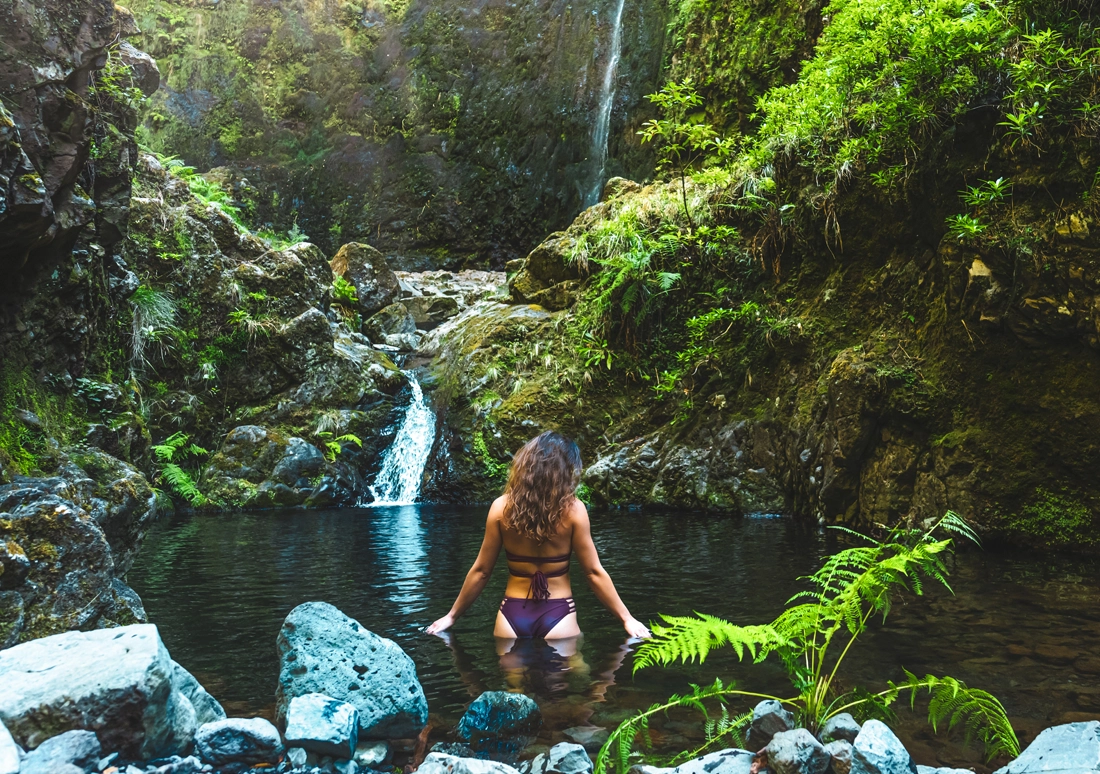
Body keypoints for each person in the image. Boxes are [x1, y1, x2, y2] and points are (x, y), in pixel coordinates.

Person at [425, 431, 650, 640]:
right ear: (564, 471)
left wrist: (452, 616)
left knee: (512, 671)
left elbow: (482, 571)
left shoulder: (500, 508)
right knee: (577, 668)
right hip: (559, 613)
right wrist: (626, 618)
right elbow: (593, 573)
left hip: (512, 614)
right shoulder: (574, 511)